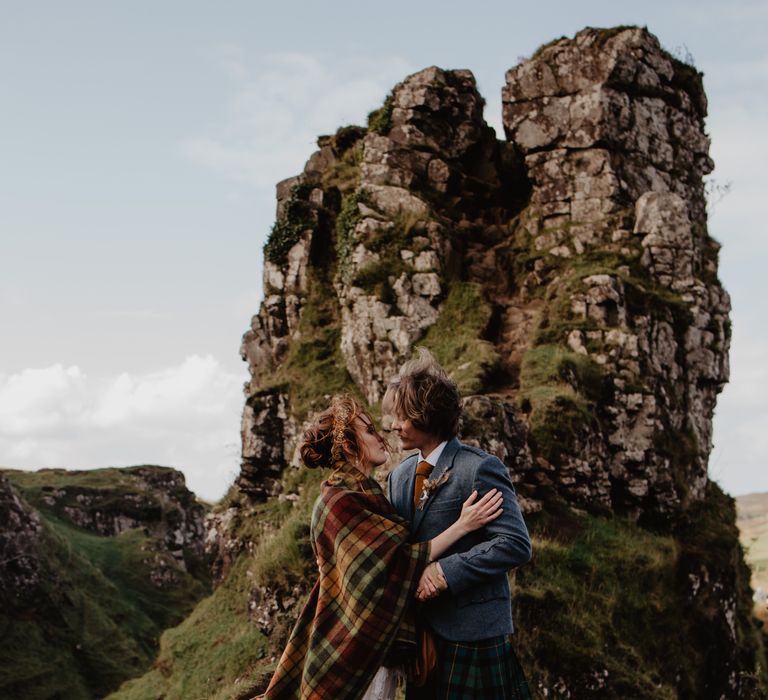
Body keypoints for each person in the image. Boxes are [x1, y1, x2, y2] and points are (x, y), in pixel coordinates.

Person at [258, 395, 504, 700]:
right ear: (349, 446)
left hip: (377, 640)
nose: (382, 435)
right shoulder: (337, 501)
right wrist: (463, 526)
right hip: (353, 644)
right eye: (370, 430)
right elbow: (391, 566)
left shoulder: (370, 493)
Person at [384, 348, 533, 699]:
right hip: (420, 638)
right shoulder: (399, 476)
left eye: (401, 416)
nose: (392, 425)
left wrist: (444, 573)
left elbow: (514, 544)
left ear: (427, 415)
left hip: (473, 635)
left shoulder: (479, 468)